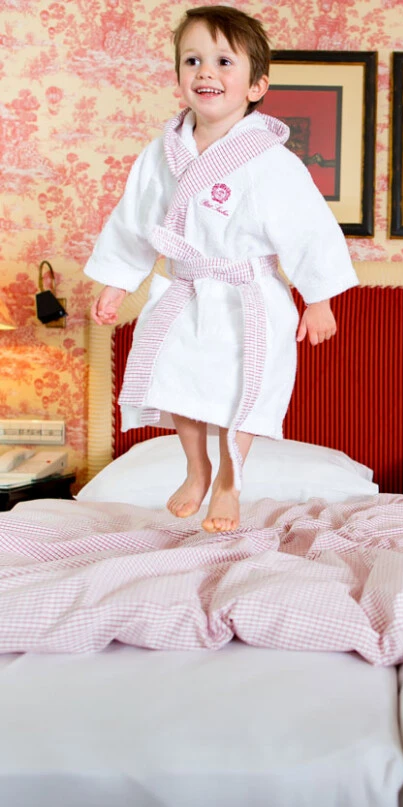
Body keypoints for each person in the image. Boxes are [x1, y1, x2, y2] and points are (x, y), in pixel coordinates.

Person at [85, 5, 358, 532]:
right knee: (176, 378)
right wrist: (118, 282)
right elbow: (135, 220)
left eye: (223, 61)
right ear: (179, 77)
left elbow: (308, 228)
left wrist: (318, 298)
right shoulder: (161, 154)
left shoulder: (271, 160)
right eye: (193, 60)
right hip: (184, 286)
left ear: (256, 85)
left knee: (242, 392)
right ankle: (196, 468)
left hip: (247, 295)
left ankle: (230, 482)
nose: (206, 72)